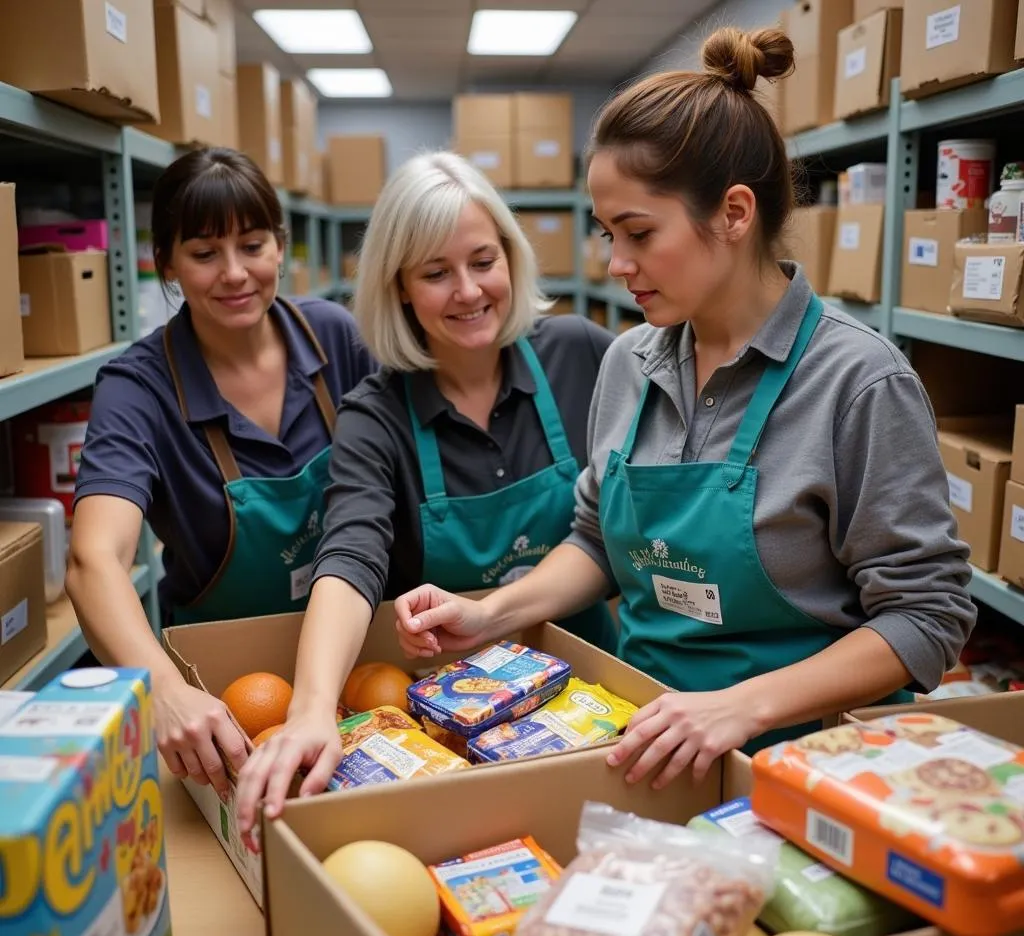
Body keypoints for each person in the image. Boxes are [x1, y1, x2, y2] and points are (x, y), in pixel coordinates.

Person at [390, 27, 977, 790]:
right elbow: (598, 542)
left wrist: (741, 707)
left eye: (638, 233)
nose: (616, 264)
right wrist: (493, 612)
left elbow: (927, 618)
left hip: (807, 766)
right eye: (608, 233)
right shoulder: (630, 361)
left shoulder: (858, 382)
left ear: (734, 214)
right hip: (646, 741)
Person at [233, 151, 616, 833]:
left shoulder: (582, 354)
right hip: (450, 734)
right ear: (401, 287)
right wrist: (315, 706)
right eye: (436, 273)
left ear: (510, 256)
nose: (468, 291)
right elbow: (350, 556)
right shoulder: (375, 414)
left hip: (591, 705)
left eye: (482, 260)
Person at [66, 148, 377, 800]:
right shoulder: (139, 388)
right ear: (166, 263)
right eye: (205, 253)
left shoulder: (335, 339)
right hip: (222, 700)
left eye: (254, 245)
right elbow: (94, 560)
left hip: (356, 662)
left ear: (280, 245)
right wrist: (166, 691)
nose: (236, 274)